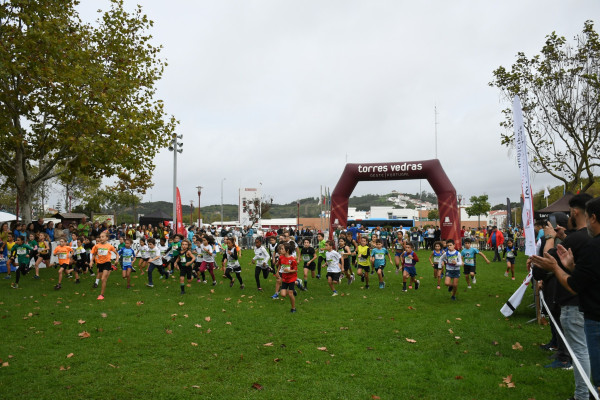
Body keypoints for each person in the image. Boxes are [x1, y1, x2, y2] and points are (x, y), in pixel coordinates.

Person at [91, 232, 118, 300]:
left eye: (103, 237)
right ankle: (111, 268)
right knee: (103, 278)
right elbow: (94, 254)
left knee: (103, 279)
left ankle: (101, 295)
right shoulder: (97, 246)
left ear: (106, 238)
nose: (101, 238)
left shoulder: (109, 246)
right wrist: (91, 261)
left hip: (107, 262)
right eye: (100, 237)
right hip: (100, 264)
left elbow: (117, 254)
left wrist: (117, 260)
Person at [277, 242, 298, 313]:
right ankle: (293, 289)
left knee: (290, 294)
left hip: (291, 278)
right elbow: (280, 265)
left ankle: (293, 308)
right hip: (284, 278)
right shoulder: (281, 257)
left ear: (287, 250)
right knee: (283, 294)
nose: (281, 250)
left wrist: (289, 270)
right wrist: (277, 272)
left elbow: (295, 270)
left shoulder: (292, 259)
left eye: (282, 249)